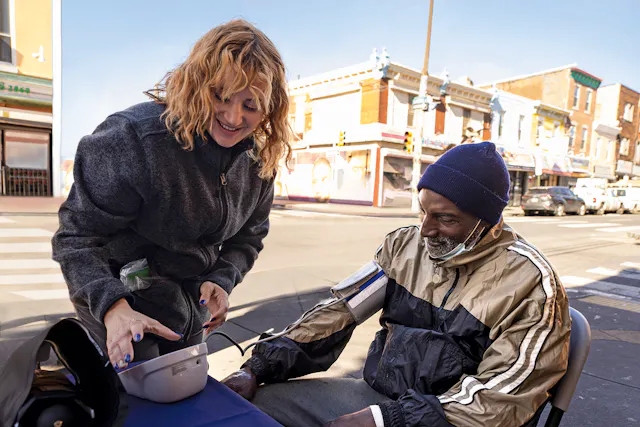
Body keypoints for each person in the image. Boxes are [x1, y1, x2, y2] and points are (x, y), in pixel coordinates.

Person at [222, 142, 571, 427]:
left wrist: (384, 421)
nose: (426, 230)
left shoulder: (531, 284)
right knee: (259, 406)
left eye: (445, 219)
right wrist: (258, 367)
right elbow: (340, 311)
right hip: (383, 401)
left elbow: (502, 398)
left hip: (447, 419)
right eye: (422, 212)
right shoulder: (404, 248)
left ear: (487, 221)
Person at [51, 19, 292, 371]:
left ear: (270, 108)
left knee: (184, 398)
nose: (233, 116)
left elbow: (248, 239)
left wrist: (221, 280)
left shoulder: (259, 162)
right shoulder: (133, 140)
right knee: (126, 405)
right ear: (196, 84)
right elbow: (76, 238)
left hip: (189, 313)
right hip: (118, 307)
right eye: (220, 96)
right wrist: (112, 307)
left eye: (250, 105)